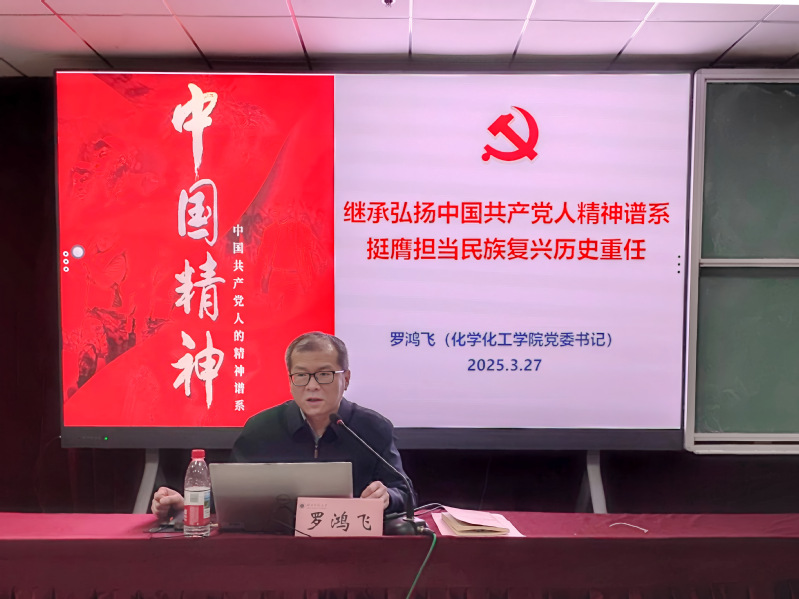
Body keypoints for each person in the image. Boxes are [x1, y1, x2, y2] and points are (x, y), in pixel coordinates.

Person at [152, 331, 416, 520]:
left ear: (345, 379)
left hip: (350, 547)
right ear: (290, 380)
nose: (312, 385)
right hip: (272, 549)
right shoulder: (262, 428)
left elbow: (405, 493)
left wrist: (388, 497)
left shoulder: (373, 428)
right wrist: (186, 504)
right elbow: (228, 498)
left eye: (324, 374)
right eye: (301, 375)